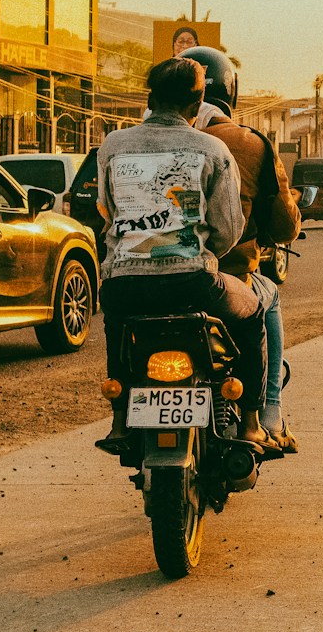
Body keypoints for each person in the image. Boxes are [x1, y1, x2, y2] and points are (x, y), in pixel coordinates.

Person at [93, 57, 262, 455]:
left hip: (124, 286)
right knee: (253, 313)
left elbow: (108, 211)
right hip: (194, 284)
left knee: (118, 328)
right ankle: (253, 425)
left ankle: (120, 421)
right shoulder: (212, 149)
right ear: (197, 102)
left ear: (150, 100)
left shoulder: (113, 147)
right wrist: (200, 253)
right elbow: (228, 229)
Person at [180, 46, 302, 456]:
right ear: (229, 95)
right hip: (220, 277)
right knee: (267, 298)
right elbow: (283, 225)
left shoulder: (137, 142)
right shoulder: (245, 144)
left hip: (136, 277)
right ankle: (267, 414)